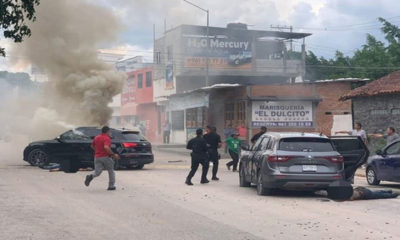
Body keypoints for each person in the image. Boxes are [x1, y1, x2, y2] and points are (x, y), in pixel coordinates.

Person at [84, 126, 120, 191]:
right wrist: (113, 155)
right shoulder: (106, 138)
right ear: (107, 131)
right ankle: (111, 186)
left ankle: (91, 176)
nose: (110, 133)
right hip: (105, 157)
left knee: (97, 172)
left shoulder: (97, 137)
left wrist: (97, 150)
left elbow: (92, 146)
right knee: (111, 171)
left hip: (97, 157)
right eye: (110, 132)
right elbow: (106, 147)